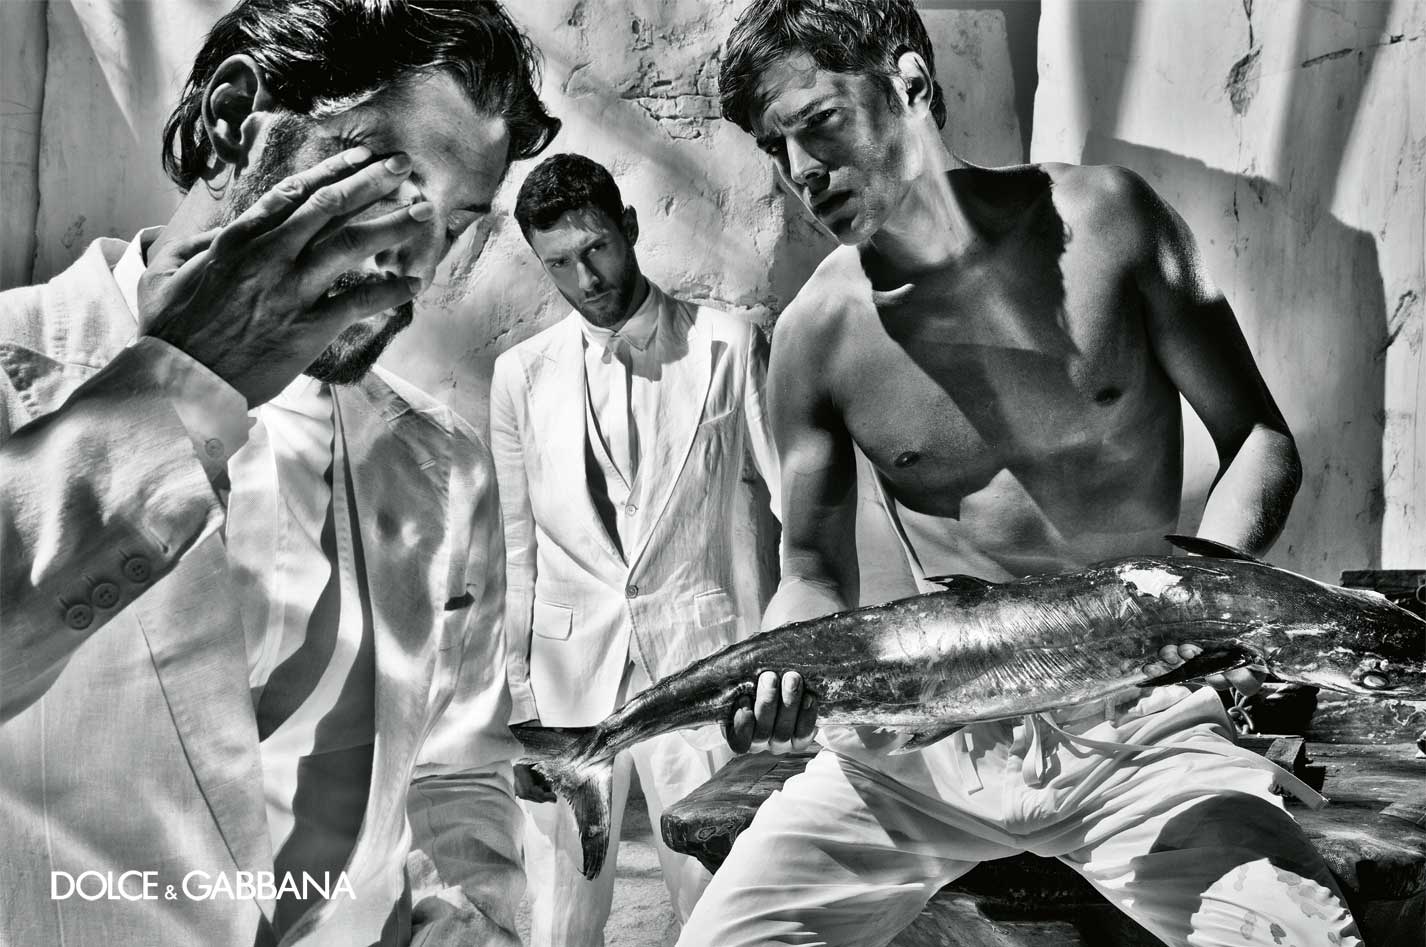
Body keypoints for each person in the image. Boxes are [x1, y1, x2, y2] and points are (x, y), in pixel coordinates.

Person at [679, 2, 1362, 946]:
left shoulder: (1112, 222)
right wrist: (781, 669)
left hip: (1139, 724)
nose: (800, 171)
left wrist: (1203, 596)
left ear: (910, 83)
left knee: (1300, 937)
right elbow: (810, 571)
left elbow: (1257, 437)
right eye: (773, 147)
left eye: (819, 124)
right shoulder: (814, 335)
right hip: (925, 738)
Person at [0, 2, 560, 944]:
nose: (419, 262)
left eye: (458, 224)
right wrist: (185, 386)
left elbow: (454, 773)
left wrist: (472, 920)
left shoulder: (441, 461)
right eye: (390, 180)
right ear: (234, 118)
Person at [492, 152, 779, 947]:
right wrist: (519, 703)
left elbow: (792, 509)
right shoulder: (520, 375)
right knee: (558, 916)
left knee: (722, 907)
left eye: (596, 248)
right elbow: (517, 550)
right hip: (566, 681)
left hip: (701, 665)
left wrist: (776, 661)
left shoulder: (727, 343)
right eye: (559, 262)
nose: (585, 277)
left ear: (628, 226)